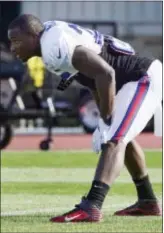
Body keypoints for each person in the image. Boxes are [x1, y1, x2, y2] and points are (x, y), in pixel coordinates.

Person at [8, 14, 162, 222]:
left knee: (115, 138)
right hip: (125, 81)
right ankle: (147, 201)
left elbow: (106, 73)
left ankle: (92, 206)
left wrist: (107, 119)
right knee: (118, 135)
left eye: (16, 41)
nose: (12, 48)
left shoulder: (54, 44)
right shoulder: (49, 44)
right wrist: (103, 120)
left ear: (33, 36)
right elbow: (92, 79)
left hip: (140, 77)